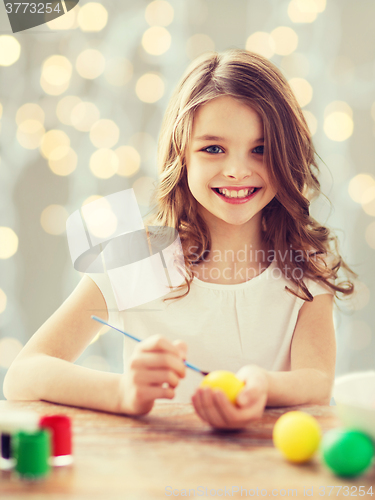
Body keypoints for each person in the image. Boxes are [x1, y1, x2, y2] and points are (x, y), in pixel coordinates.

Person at [4, 49, 357, 430]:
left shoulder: (303, 263)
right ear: (181, 155)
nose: (237, 170)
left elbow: (318, 383)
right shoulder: (138, 256)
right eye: (213, 149)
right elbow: (24, 374)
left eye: (261, 149)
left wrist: (262, 387)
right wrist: (124, 393)